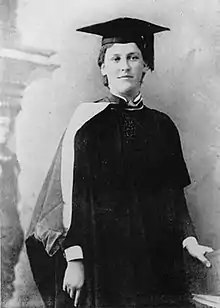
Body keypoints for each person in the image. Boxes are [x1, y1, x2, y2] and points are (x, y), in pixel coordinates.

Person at [26, 17, 214, 308]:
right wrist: (74, 259)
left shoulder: (162, 126)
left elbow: (174, 198)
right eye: (115, 58)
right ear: (103, 67)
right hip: (106, 259)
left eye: (133, 57)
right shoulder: (87, 125)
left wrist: (189, 240)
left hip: (159, 260)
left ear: (145, 67)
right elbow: (71, 200)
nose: (124, 66)